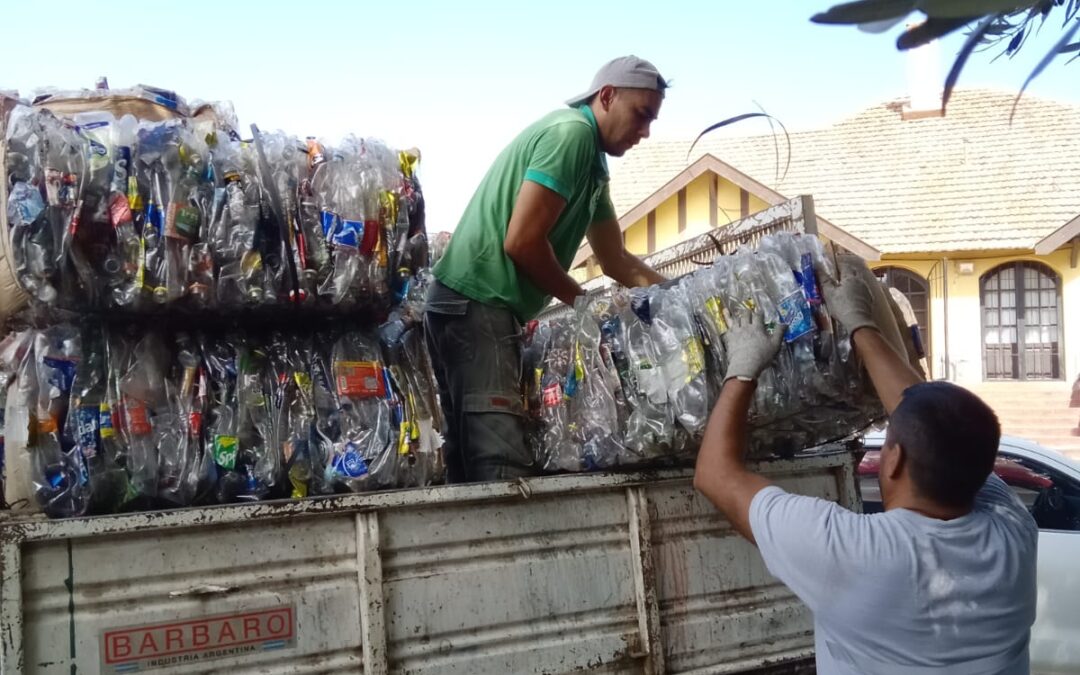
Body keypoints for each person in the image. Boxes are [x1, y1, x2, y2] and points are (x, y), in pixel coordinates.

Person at [693, 258, 1038, 674]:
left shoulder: (855, 553)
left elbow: (714, 475)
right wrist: (860, 324)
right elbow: (926, 421)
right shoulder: (1014, 533)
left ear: (892, 460)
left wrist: (742, 370)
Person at [426, 56, 669, 483]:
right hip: (476, 303)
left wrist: (681, 295)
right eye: (641, 115)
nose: (646, 132)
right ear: (607, 97)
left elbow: (616, 259)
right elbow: (521, 242)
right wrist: (583, 305)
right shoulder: (571, 135)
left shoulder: (593, 165)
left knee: (470, 458)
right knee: (500, 462)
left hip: (477, 304)